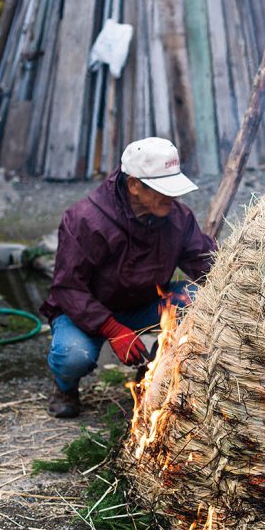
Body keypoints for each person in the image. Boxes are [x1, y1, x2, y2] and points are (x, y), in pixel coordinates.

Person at [41, 137, 217, 419]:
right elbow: (68, 288)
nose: (172, 198)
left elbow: (206, 263)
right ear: (134, 185)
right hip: (84, 311)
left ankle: (153, 369)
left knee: (199, 298)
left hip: (145, 303)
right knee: (74, 355)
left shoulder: (178, 217)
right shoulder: (85, 219)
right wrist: (113, 330)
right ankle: (65, 387)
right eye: (162, 190)